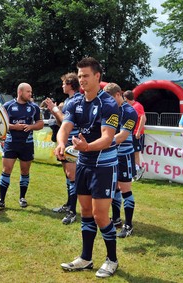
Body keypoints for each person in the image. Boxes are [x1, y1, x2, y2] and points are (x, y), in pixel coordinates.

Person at [55, 57, 119, 278]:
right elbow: (64, 127)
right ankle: (86, 257)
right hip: (83, 163)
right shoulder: (75, 102)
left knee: (101, 215)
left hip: (104, 165)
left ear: (97, 77)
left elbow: (108, 138)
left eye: (86, 76)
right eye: (79, 76)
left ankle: (112, 260)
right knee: (85, 212)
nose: (81, 80)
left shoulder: (109, 104)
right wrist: (61, 143)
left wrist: (87, 146)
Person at [0, 83, 44, 209]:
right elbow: (2, 123)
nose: (30, 94)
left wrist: (31, 126)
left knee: (25, 171)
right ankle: (1, 199)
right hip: (11, 143)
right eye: (28, 91)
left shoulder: (34, 107)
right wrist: (14, 127)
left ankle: (22, 197)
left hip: (27, 144)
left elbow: (40, 123)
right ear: (20, 92)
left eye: (31, 91)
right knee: (6, 170)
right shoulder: (7, 106)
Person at [44, 72, 81, 225]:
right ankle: (68, 205)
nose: (62, 86)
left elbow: (66, 120)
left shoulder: (77, 100)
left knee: (72, 176)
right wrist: (54, 110)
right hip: (66, 142)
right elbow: (62, 124)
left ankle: (72, 212)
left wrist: (55, 110)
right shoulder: (68, 100)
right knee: (68, 175)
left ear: (71, 84)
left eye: (64, 83)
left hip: (74, 143)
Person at [104, 83, 138, 238]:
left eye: (110, 98)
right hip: (112, 154)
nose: (108, 102)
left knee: (125, 189)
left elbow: (123, 136)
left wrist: (102, 144)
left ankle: (128, 225)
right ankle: (116, 219)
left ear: (118, 94)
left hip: (124, 156)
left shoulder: (130, 111)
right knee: (114, 187)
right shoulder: (111, 109)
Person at [123, 90, 146, 181]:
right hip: (132, 133)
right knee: (132, 153)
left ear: (126, 98)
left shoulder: (137, 106)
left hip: (136, 133)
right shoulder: (132, 106)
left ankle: (138, 170)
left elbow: (143, 118)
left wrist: (138, 131)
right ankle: (135, 171)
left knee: (135, 153)